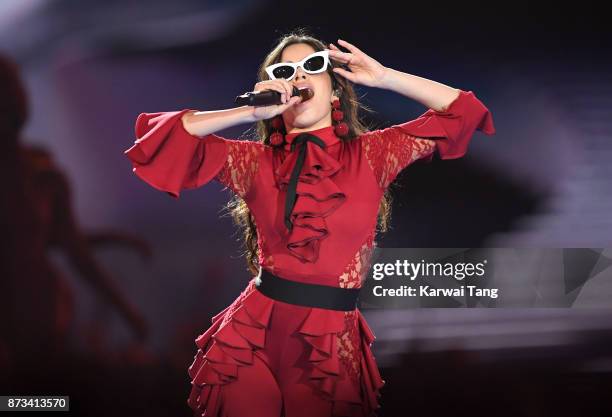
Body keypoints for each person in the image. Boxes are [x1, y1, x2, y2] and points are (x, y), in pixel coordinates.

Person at [124, 30, 495, 417]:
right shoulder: (254, 162)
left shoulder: (373, 154)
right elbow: (161, 138)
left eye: (312, 67)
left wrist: (385, 77)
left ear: (335, 91)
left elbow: (462, 113)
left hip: (329, 340)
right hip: (254, 332)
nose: (299, 77)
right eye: (287, 71)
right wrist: (249, 112)